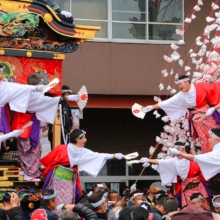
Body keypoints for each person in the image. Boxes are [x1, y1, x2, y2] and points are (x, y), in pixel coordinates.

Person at [40, 129, 124, 207]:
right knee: (56, 199)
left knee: (69, 200)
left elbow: (98, 155)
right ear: (77, 139)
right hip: (58, 179)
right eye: (84, 138)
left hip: (70, 180)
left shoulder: (83, 151)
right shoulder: (61, 148)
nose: (86, 140)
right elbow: (49, 159)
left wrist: (114, 155)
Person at [141, 75, 220, 153]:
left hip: (209, 115)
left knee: (216, 134)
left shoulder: (200, 86)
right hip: (197, 120)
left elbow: (216, 87)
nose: (179, 86)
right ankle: (208, 155)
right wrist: (151, 107)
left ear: (187, 82)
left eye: (180, 84)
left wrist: (214, 108)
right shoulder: (181, 95)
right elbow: (167, 103)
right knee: (204, 139)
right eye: (178, 84)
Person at [141, 141, 210, 209]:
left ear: (184, 149)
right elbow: (161, 162)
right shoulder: (173, 161)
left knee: (203, 206)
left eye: (180, 151)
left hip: (198, 187)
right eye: (176, 153)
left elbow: (202, 170)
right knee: (189, 210)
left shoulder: (192, 158)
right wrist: (148, 160)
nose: (178, 154)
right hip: (185, 190)